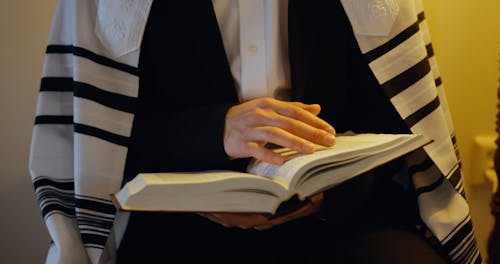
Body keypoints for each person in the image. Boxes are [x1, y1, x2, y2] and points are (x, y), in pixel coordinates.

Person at [30, 0, 481, 263]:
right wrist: (215, 132)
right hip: (174, 227)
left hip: (341, 220)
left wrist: (327, 191)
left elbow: (398, 128)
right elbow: (96, 139)